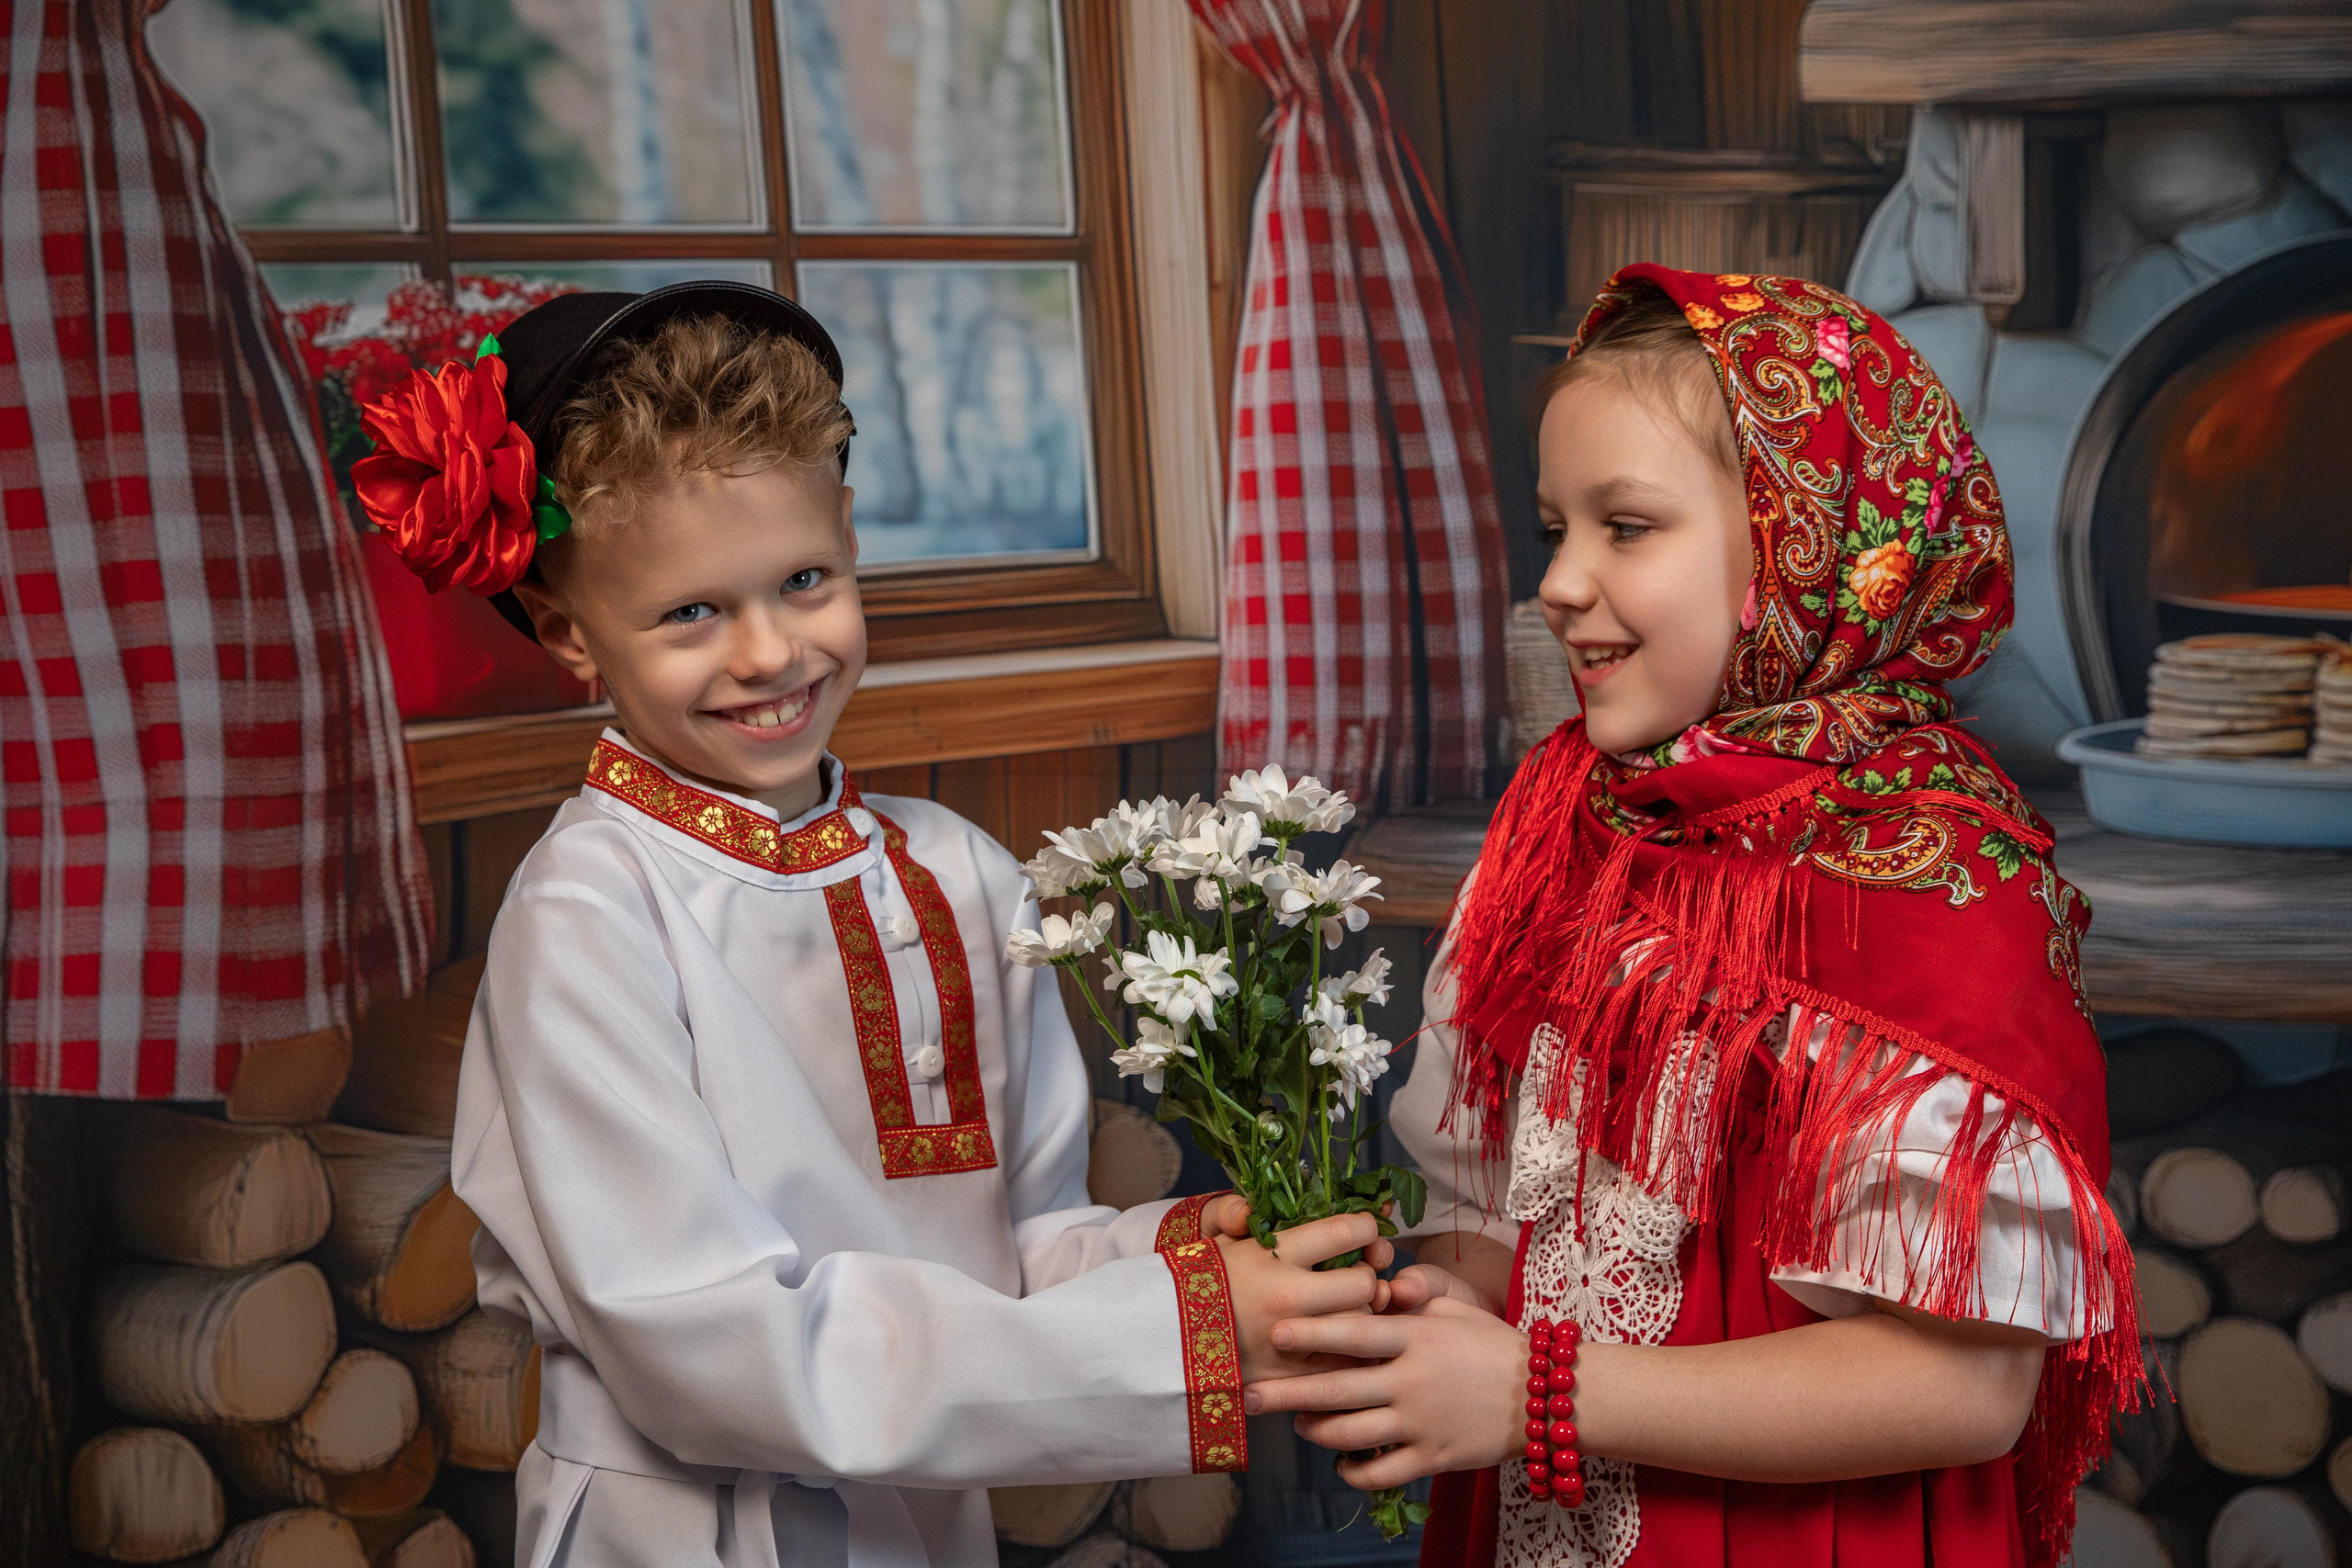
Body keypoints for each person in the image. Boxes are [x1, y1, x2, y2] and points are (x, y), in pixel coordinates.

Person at [348, 281, 1389, 1568]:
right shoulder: (587, 915)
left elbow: (1025, 1249)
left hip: (928, 1532)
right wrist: (1178, 1341)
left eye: (804, 579)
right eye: (690, 612)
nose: (768, 652)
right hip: (683, 1539)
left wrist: (1195, 1266)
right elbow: (705, 1350)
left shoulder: (962, 870)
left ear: (850, 539)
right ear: (569, 633)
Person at [1244, 265, 2139, 1568]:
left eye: (1626, 527)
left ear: (1808, 551)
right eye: (1554, 528)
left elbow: (1965, 1387)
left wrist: (1534, 1392)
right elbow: (1501, 1207)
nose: (1560, 582)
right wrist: (1444, 1311)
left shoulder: (1929, 883)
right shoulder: (1561, 823)